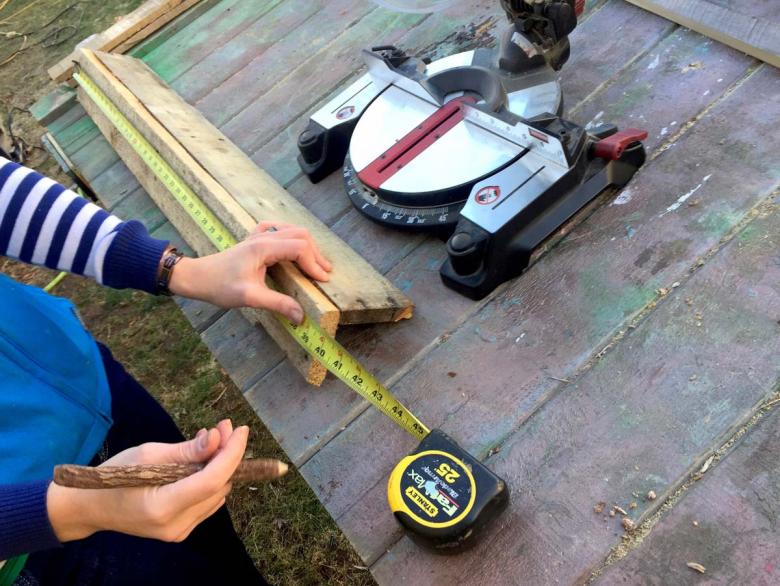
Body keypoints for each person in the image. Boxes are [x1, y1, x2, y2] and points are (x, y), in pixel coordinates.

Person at [0, 154, 332, 585]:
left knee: (213, 552)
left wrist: (178, 269)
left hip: (84, 383)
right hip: (31, 546)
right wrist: (72, 508)